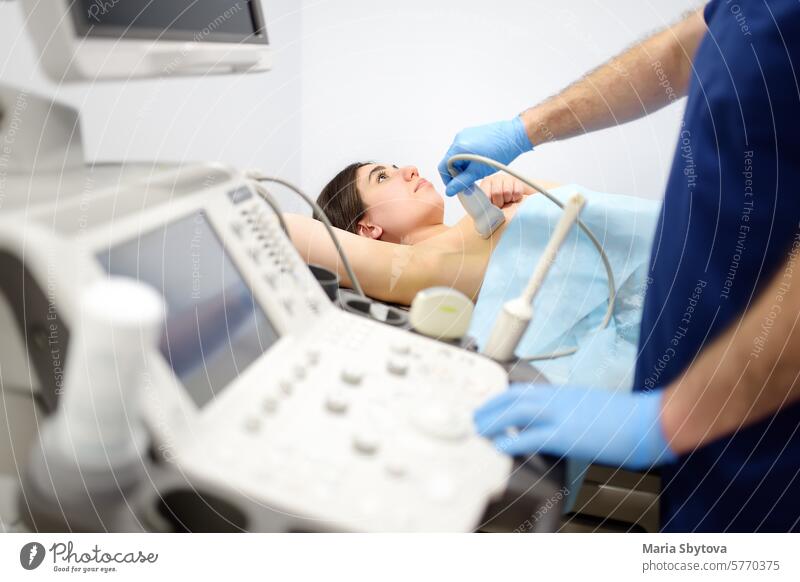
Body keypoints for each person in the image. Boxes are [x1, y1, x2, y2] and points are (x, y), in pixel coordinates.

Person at [449, 3, 800, 531]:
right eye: (380, 178)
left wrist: (668, 419)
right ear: (366, 227)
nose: (405, 172)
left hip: (763, 418)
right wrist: (524, 129)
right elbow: (696, 42)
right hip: (704, 397)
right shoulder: (441, 245)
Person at [285, 163, 560, 305]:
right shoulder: (413, 265)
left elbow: (582, 203)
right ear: (367, 229)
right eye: (382, 177)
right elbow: (283, 227)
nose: (410, 169)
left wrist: (522, 187)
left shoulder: (487, 208)